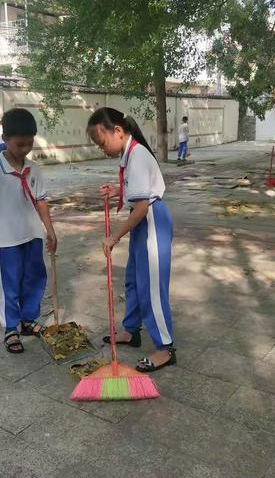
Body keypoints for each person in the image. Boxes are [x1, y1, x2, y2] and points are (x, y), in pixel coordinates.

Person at [87, 107, 176, 372]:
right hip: (143, 222)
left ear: (117, 131)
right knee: (133, 279)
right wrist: (117, 190)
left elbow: (141, 207)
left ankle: (166, 348)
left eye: (101, 143)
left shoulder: (137, 155)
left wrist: (114, 237)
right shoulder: (131, 154)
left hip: (150, 221)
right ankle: (131, 330)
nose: (102, 149)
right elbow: (137, 190)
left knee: (151, 286)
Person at [0, 108, 57, 354]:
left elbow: (41, 201)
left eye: (30, 144)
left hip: (32, 234)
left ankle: (28, 319)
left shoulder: (34, 169)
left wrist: (50, 230)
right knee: (10, 283)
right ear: (5, 139)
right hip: (7, 238)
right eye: (20, 144)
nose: (25, 150)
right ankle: (11, 327)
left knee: (35, 278)